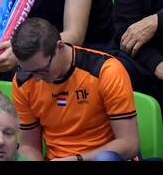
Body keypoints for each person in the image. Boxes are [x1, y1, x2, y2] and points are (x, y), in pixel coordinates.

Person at [11, 17, 138, 161]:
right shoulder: (23, 81)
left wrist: (78, 159)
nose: (36, 79)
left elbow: (129, 144)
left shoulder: (106, 71)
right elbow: (30, 146)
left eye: (42, 70)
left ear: (59, 47)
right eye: (29, 71)